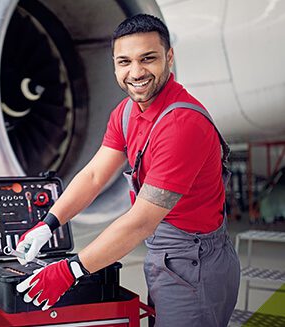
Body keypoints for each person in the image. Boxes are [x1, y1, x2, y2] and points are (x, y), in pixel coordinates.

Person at [15, 14, 240, 326]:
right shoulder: (126, 113)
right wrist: (49, 224)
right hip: (167, 256)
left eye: (148, 59)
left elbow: (141, 223)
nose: (136, 72)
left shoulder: (181, 125)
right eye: (124, 61)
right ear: (114, 64)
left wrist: (71, 270)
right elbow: (94, 175)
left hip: (196, 263)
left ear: (169, 58)